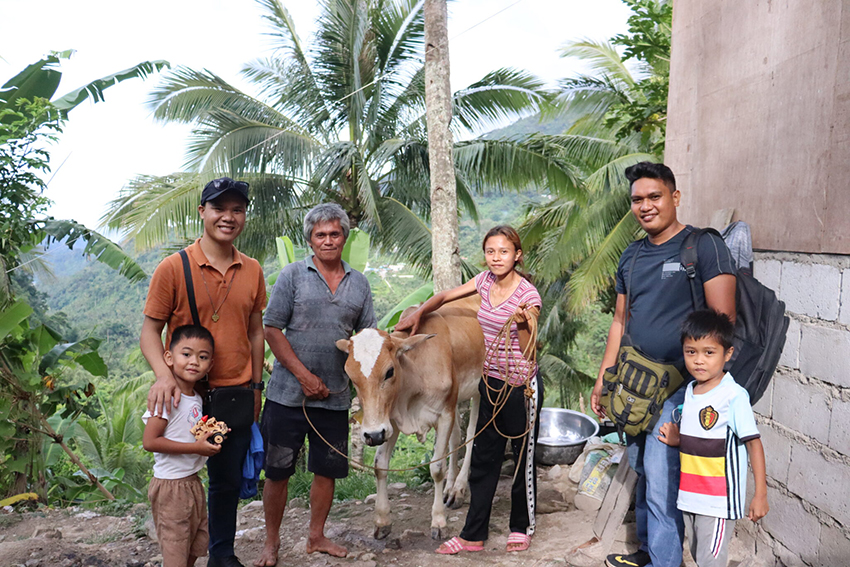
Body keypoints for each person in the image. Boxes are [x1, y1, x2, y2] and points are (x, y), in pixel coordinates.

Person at [591, 162, 737, 567]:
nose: (645, 206)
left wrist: (701, 391)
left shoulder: (702, 247)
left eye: (654, 196)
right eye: (637, 199)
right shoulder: (632, 256)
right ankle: (650, 552)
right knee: (642, 469)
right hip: (634, 385)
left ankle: (664, 562)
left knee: (661, 476)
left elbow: (723, 322)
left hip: (679, 387)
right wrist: (605, 378)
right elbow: (621, 321)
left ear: (674, 197)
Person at [142, 177, 267, 567]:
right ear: (202, 213)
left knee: (227, 478)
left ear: (244, 216)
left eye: (237, 210)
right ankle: (180, 553)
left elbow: (255, 329)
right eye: (219, 208)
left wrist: (258, 385)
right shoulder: (173, 268)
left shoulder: (252, 269)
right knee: (183, 476)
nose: (228, 217)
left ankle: (222, 554)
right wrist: (164, 376)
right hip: (188, 394)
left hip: (235, 391)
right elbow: (150, 330)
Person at [396, 225, 542, 555]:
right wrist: (420, 312)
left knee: (521, 461)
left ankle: (521, 526)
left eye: (503, 252)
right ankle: (473, 534)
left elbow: (530, 351)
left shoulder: (528, 296)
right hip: (489, 382)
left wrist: (521, 324)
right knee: (482, 461)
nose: (496, 258)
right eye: (491, 251)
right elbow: (445, 296)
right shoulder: (483, 282)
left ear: (517, 255)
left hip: (520, 388)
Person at [255, 203, 376, 567]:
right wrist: (303, 376)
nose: (327, 241)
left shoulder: (360, 283)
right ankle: (271, 543)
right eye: (320, 235)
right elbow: (271, 328)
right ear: (310, 239)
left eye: (334, 234)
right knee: (278, 471)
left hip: (335, 397)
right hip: (287, 396)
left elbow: (368, 336)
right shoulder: (292, 275)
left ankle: (316, 537)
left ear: (345, 237)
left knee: (327, 470)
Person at [657, 310, 768, 567]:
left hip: (718, 501)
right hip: (690, 496)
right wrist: (679, 440)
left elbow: (754, 443)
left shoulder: (733, 396)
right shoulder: (690, 391)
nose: (699, 360)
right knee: (699, 555)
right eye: (691, 351)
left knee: (710, 561)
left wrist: (760, 493)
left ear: (727, 354)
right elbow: (704, 435)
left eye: (709, 352)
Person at [143, 325, 219, 567]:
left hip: (192, 481)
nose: (194, 361)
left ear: (211, 363)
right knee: (175, 550)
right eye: (186, 354)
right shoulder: (166, 398)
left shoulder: (196, 397)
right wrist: (195, 448)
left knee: (197, 543)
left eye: (203, 357)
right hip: (170, 487)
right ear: (168, 357)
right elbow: (150, 442)